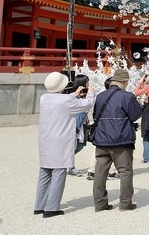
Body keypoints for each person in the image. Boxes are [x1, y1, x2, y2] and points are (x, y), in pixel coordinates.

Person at [34, 71, 94, 218]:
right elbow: (88, 104)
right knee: (59, 172)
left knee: (45, 172)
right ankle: (51, 208)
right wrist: (91, 92)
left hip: (46, 140)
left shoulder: (44, 98)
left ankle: (40, 205)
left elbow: (63, 100)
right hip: (60, 141)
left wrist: (74, 94)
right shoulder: (66, 101)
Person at [91, 69, 143, 212]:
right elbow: (135, 115)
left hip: (102, 139)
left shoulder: (100, 96)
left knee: (100, 172)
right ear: (124, 82)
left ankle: (100, 204)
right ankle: (125, 203)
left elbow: (95, 115)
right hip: (121, 139)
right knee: (125, 171)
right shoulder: (127, 96)